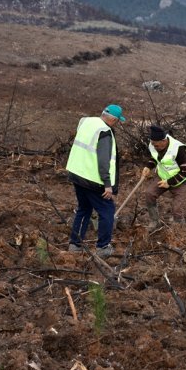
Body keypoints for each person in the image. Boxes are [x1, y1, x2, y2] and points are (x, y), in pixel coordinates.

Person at [65, 104, 125, 256]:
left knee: (84, 209)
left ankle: (75, 244)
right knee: (107, 211)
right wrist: (108, 184)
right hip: (93, 179)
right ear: (113, 119)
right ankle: (103, 247)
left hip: (77, 174)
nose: (116, 124)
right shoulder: (105, 132)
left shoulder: (86, 122)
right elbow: (104, 161)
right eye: (117, 121)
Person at [141, 125, 186, 229]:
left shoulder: (178, 149)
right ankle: (154, 221)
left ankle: (178, 226)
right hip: (163, 176)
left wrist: (169, 182)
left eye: (157, 145)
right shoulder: (154, 144)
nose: (155, 147)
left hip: (181, 180)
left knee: (176, 207)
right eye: (153, 145)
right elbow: (155, 157)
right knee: (149, 194)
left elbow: (185, 171)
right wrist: (148, 166)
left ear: (164, 141)